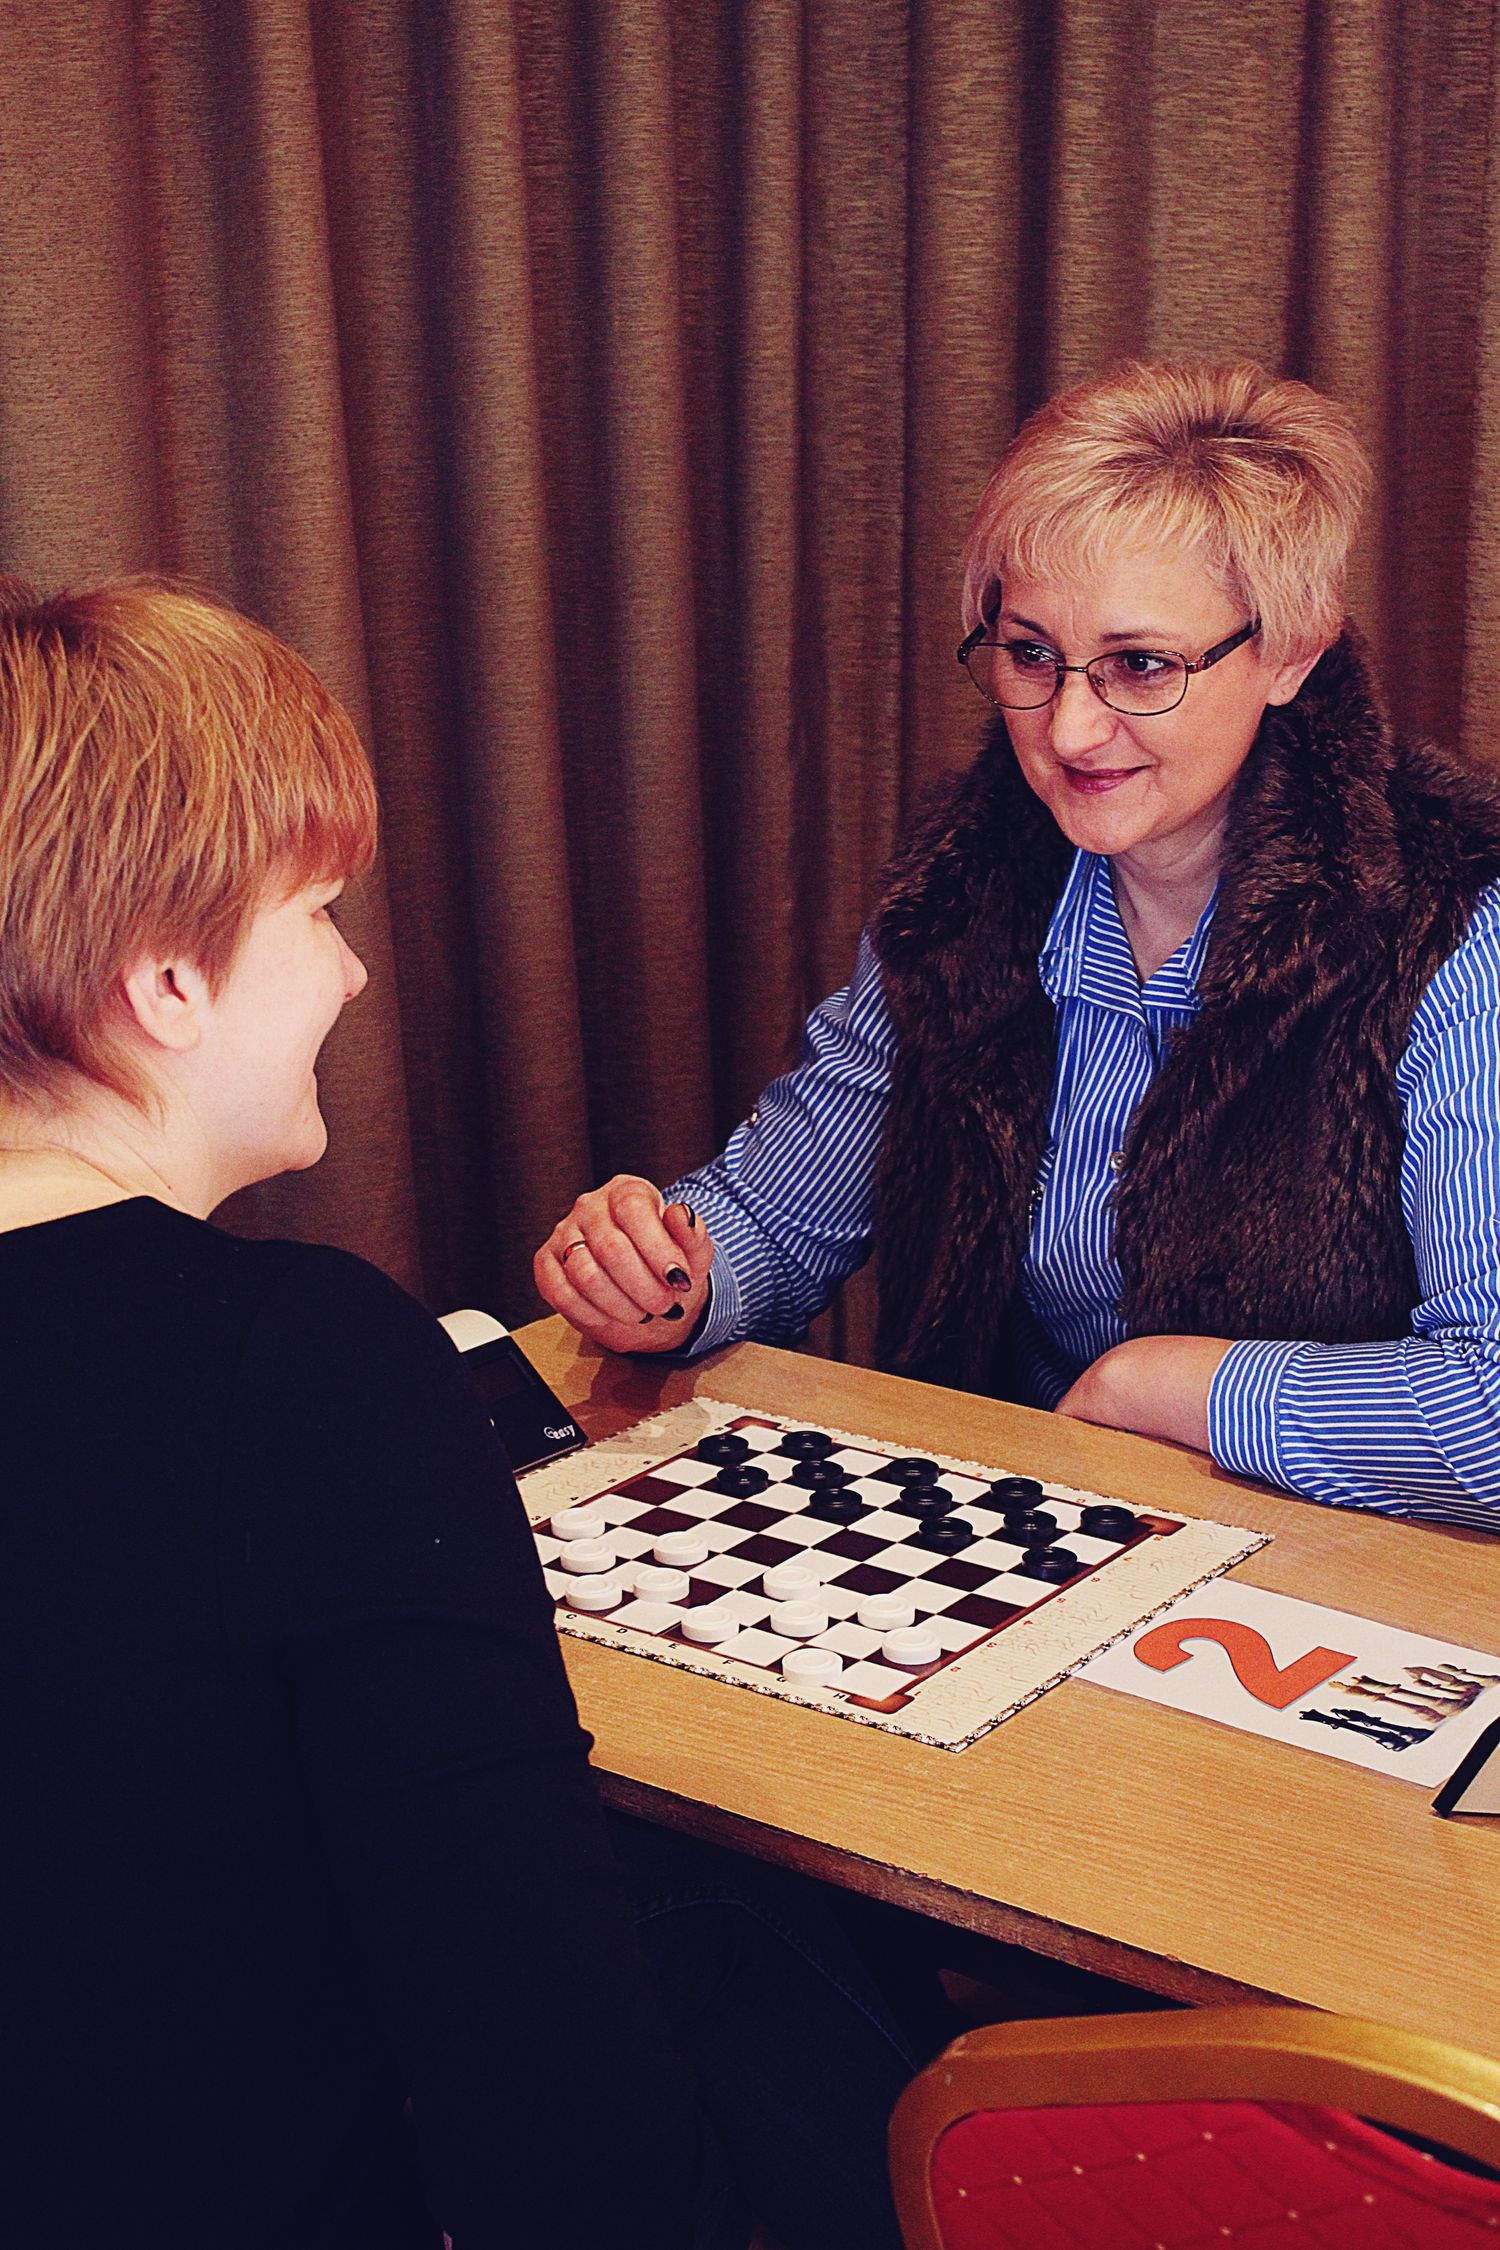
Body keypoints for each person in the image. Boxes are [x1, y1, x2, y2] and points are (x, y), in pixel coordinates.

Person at [0, 579, 912, 2250]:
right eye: (316, 910)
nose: (354, 974)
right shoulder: (303, 1364)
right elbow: (557, 2109)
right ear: (166, 981)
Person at [536, 360, 1500, 1531]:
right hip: (1029, 1541)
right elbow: (778, 1219)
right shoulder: (968, 887)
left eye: (1142, 665)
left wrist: (1166, 1387)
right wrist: (663, 1277)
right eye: (1031, 654)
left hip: (1345, 1578)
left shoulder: (1455, 923)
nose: (1072, 729)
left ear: (1291, 653)